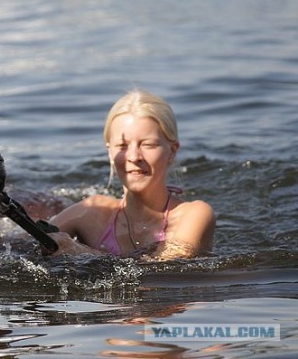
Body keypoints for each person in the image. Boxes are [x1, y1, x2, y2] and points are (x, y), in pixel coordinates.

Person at [47, 89, 215, 260]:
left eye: (148, 145)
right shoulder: (89, 213)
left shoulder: (194, 214)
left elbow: (163, 271)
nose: (133, 157)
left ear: (172, 151)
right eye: (122, 146)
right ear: (110, 152)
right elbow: (25, 246)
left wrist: (79, 252)